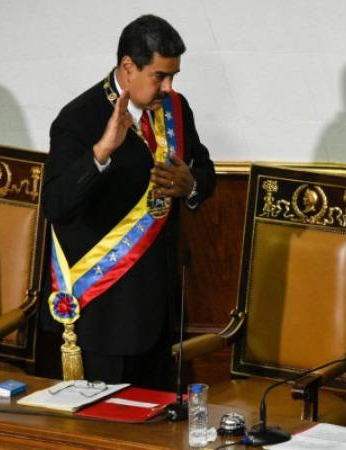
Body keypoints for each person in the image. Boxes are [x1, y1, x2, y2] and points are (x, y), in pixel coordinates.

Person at [41, 14, 216, 389]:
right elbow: (56, 205)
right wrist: (101, 152)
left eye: (174, 76)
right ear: (128, 67)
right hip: (105, 314)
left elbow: (205, 170)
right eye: (160, 76)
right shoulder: (78, 118)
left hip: (162, 311)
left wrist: (192, 185)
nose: (169, 87)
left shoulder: (176, 109)